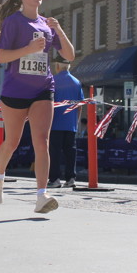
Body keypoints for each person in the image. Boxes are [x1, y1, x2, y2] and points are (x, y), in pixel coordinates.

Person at [0, 0, 74, 213]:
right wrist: (28, 49)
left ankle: (41, 196)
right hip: (15, 90)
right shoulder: (14, 22)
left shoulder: (47, 24)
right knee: (12, 141)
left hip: (43, 89)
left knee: (42, 141)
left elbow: (69, 55)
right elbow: (1, 57)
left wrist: (58, 29)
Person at [48, 59, 84, 189]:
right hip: (71, 124)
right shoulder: (76, 82)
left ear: (57, 66)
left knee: (54, 152)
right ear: (69, 66)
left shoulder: (52, 80)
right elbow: (80, 105)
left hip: (55, 123)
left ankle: (55, 179)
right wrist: (76, 122)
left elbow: (47, 102)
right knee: (70, 152)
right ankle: (70, 178)